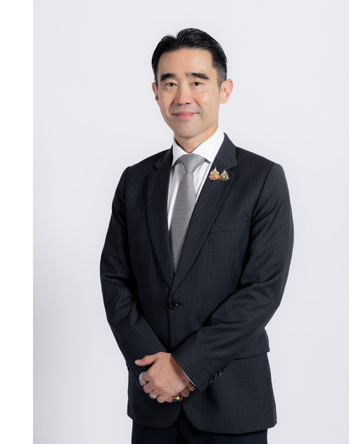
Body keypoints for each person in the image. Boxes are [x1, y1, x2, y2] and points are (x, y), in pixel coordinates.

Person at [100, 28, 294, 444]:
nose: (182, 96)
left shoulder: (262, 179)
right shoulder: (135, 181)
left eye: (197, 81)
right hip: (154, 402)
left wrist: (184, 367)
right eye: (170, 83)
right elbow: (115, 280)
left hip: (233, 401)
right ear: (155, 93)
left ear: (224, 90)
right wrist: (154, 369)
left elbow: (262, 290)